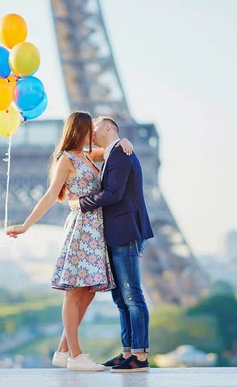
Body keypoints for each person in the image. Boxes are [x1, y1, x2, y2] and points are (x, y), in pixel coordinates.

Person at [6, 111, 133, 371]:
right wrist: (26, 225)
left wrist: (124, 141)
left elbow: (114, 147)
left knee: (88, 292)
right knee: (74, 292)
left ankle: (63, 351)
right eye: (90, 130)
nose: (94, 134)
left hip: (97, 231)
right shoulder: (66, 159)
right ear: (81, 130)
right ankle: (76, 356)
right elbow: (51, 195)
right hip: (82, 229)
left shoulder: (89, 155)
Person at [69, 116, 154, 373]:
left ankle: (139, 356)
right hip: (117, 233)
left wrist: (79, 203)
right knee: (120, 297)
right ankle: (128, 351)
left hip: (125, 232)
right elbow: (79, 153)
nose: (91, 132)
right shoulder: (113, 153)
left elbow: (114, 193)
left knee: (131, 295)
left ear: (108, 127)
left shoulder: (118, 153)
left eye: (94, 127)